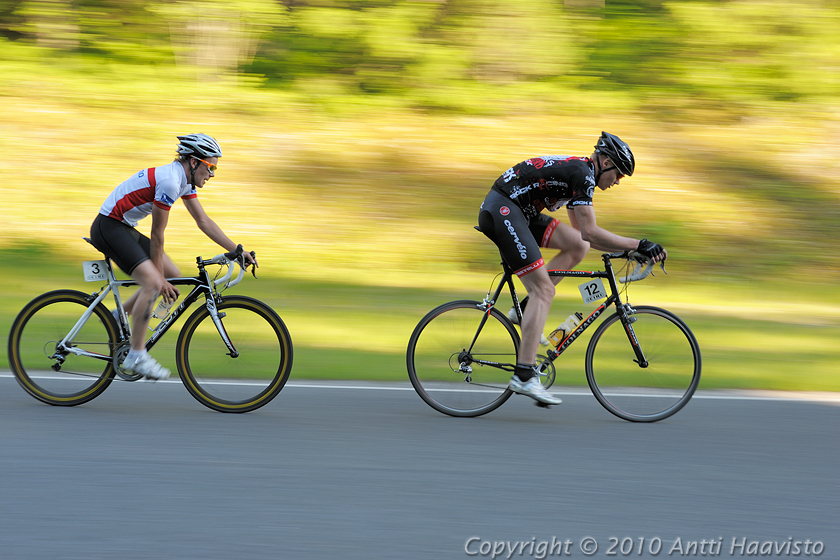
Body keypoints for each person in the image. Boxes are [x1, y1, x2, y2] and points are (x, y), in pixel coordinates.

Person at [477, 132, 667, 405]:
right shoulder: (582, 173)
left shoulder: (581, 174)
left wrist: (629, 250)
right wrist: (640, 244)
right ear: (604, 162)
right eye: (619, 174)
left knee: (577, 247)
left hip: (517, 211)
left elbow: (582, 235)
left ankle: (527, 307)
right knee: (545, 290)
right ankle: (524, 376)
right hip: (504, 211)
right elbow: (591, 231)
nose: (618, 182)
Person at [89, 133, 258, 380]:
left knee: (172, 274)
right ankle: (136, 355)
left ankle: (118, 316)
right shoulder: (169, 181)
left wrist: (236, 250)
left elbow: (203, 221)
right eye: (210, 167)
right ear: (193, 161)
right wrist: (158, 280)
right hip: (109, 227)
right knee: (154, 282)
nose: (211, 174)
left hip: (122, 226)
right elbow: (157, 234)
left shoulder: (184, 181)